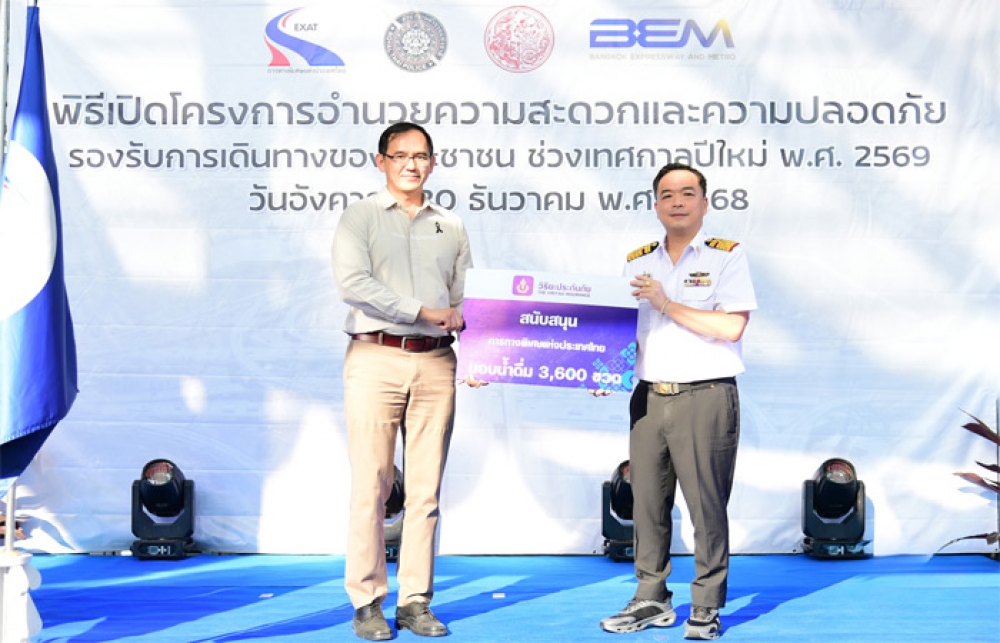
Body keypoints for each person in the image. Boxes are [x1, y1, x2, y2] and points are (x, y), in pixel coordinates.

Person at [599, 163, 757, 640]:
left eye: (688, 193)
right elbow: (625, 330)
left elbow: (731, 326)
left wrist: (667, 303)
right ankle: (651, 597)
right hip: (649, 397)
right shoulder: (637, 261)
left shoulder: (726, 256)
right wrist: (600, 367)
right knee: (647, 504)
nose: (677, 202)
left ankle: (706, 604)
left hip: (705, 395)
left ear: (705, 203)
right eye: (667, 194)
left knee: (706, 507)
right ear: (656, 205)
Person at [332, 122, 474, 640]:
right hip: (376, 357)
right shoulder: (361, 216)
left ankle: (415, 601)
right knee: (372, 484)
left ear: (433, 163)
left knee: (425, 489)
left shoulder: (450, 225)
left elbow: (464, 299)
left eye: (421, 156)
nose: (411, 164)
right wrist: (422, 311)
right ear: (382, 161)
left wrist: (483, 352)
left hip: (436, 362)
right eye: (400, 155)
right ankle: (367, 601)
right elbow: (353, 284)